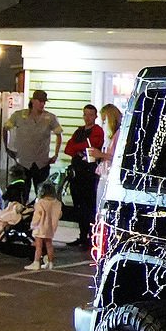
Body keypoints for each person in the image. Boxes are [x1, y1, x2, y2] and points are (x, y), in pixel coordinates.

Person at [5, 89, 63, 196]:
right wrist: (7, 148)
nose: (42, 104)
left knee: (42, 194)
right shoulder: (19, 115)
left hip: (41, 162)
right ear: (33, 101)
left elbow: (59, 135)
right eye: (40, 101)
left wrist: (55, 154)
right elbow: (6, 128)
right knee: (21, 194)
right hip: (23, 161)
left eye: (44, 102)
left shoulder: (50, 117)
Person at [64, 103, 104, 244]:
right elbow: (68, 149)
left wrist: (78, 148)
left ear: (95, 116)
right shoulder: (79, 131)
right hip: (77, 173)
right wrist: (79, 149)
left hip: (89, 173)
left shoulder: (97, 130)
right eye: (85, 114)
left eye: (90, 115)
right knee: (78, 204)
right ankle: (82, 235)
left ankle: (92, 236)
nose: (87, 118)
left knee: (89, 204)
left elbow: (92, 145)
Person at [27, 176, 64, 271]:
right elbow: (59, 214)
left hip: (40, 227)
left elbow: (37, 217)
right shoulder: (57, 203)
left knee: (38, 246)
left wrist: (32, 226)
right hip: (51, 228)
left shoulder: (40, 203)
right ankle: (50, 262)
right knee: (49, 245)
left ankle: (36, 262)